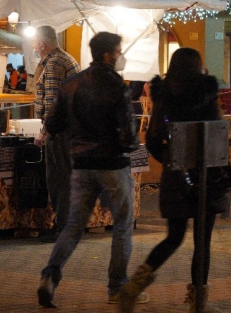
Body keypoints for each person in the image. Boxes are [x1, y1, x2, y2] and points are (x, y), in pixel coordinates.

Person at [37, 32, 143, 308]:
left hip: (81, 164)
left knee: (73, 225)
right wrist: (129, 145)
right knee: (122, 225)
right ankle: (117, 286)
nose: (120, 56)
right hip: (113, 164)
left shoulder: (71, 84)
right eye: (118, 51)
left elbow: (53, 123)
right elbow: (128, 133)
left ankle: (50, 275)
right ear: (108, 55)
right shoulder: (117, 85)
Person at [120, 47, 227, 313]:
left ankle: (134, 285)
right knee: (202, 242)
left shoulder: (163, 94)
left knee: (174, 237)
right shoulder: (206, 92)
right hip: (206, 174)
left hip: (176, 176)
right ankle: (198, 302)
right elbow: (216, 134)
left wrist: (171, 160)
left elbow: (152, 139)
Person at [32, 25, 82, 243]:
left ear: (42, 44)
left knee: (59, 180)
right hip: (68, 129)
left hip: (60, 131)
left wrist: (44, 132)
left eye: (35, 43)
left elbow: (53, 102)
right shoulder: (64, 59)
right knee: (65, 179)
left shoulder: (54, 64)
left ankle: (63, 228)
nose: (34, 47)